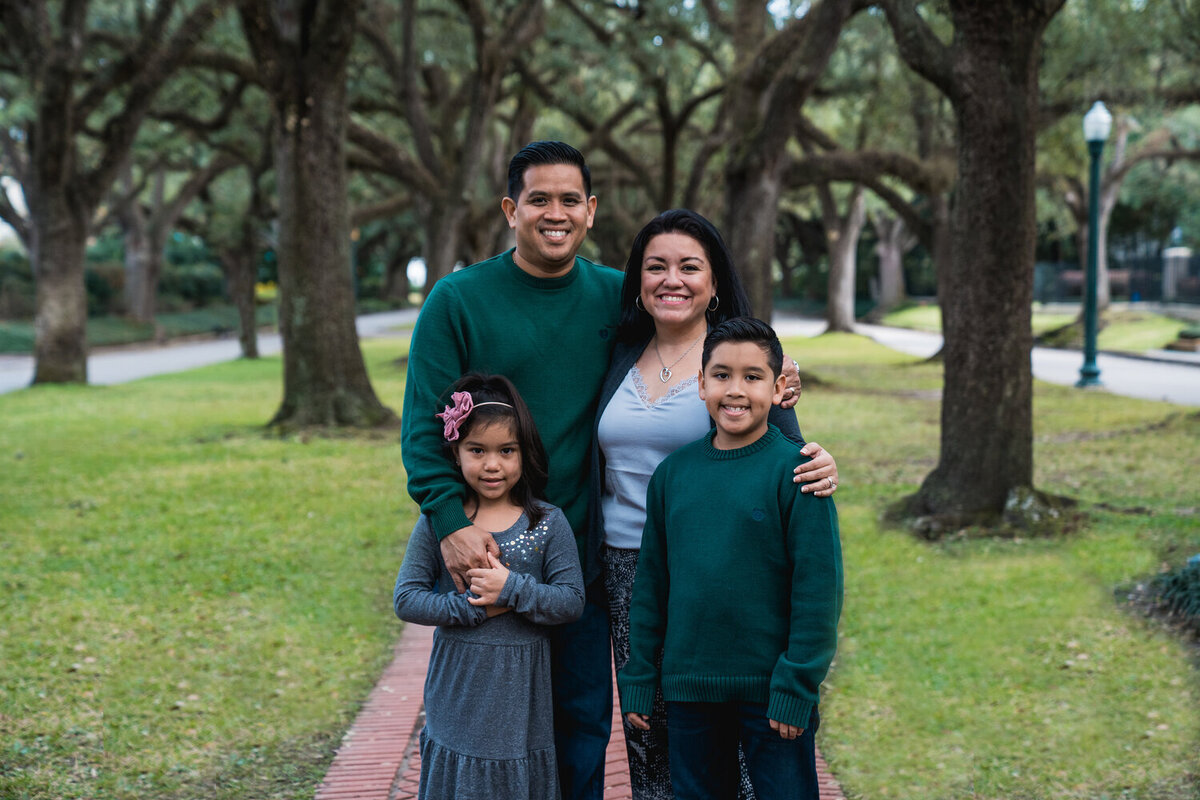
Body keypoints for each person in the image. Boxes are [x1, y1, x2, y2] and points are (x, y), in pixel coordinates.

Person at [400, 141, 838, 800]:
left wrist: (788, 400)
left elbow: (725, 357)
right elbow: (422, 430)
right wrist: (446, 524)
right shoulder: (460, 301)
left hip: (615, 557)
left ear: (591, 210)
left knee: (589, 724)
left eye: (570, 199)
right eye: (539, 199)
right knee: (496, 724)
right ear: (509, 208)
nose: (556, 213)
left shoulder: (617, 296)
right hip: (513, 548)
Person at [589, 209, 837, 799]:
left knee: (760, 762)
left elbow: (786, 459)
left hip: (734, 579)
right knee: (662, 754)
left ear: (715, 280)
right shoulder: (617, 348)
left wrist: (818, 461)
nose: (672, 279)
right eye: (656, 266)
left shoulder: (743, 358)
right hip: (634, 572)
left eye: (689, 266)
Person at [394, 373, 585, 799]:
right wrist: (475, 607)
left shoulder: (547, 523)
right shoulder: (441, 525)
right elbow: (406, 599)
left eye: (506, 451)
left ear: (524, 454)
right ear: (456, 453)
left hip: (521, 702)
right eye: (476, 451)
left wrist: (513, 590)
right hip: (457, 689)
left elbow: (571, 600)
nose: (492, 464)